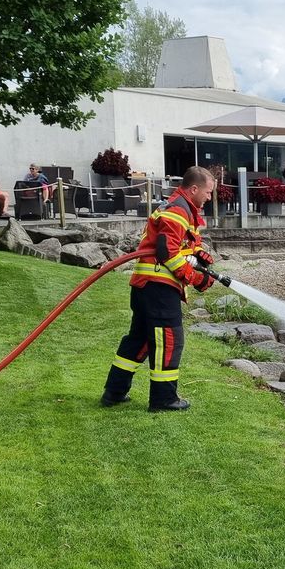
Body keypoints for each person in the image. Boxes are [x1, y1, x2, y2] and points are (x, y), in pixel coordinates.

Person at [100, 166, 224, 412]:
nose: (210, 198)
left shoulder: (183, 207)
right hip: (158, 288)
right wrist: (194, 278)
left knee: (139, 341)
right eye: (208, 193)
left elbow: (179, 244)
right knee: (169, 341)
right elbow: (168, 253)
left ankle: (113, 392)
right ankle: (163, 399)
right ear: (194, 188)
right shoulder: (178, 210)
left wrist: (198, 255)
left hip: (148, 288)